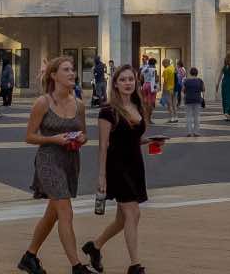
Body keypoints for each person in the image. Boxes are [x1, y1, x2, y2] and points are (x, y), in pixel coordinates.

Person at [19, 54, 90, 274]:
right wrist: (53, 139)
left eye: (72, 70)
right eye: (66, 70)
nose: (72, 74)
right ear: (54, 75)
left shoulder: (79, 104)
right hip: (49, 160)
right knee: (66, 212)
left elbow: (85, 134)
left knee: (53, 213)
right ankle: (76, 266)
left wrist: (81, 138)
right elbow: (29, 136)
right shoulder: (43, 103)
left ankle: (29, 256)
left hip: (70, 160)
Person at [84, 63, 147, 274]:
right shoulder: (108, 111)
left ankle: (95, 246)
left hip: (135, 165)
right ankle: (135, 265)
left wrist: (151, 141)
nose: (128, 83)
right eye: (123, 80)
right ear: (116, 84)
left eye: (131, 79)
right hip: (117, 166)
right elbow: (103, 145)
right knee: (133, 213)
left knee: (123, 218)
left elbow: (132, 138)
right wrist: (101, 176)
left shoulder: (138, 106)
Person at [181, 66, 207, 137]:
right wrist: (203, 98)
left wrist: (184, 97)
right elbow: (203, 90)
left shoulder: (186, 81)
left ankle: (189, 132)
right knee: (196, 117)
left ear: (190, 73)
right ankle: (196, 132)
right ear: (197, 73)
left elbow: (183, 90)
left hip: (188, 100)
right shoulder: (200, 81)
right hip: (197, 100)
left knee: (188, 116)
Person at [159, 59, 177, 123]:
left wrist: (163, 91)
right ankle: (175, 117)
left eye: (163, 64)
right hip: (175, 89)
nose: (163, 65)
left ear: (166, 63)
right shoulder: (174, 68)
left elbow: (165, 82)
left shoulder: (166, 70)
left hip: (168, 89)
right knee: (174, 103)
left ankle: (172, 118)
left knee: (169, 104)